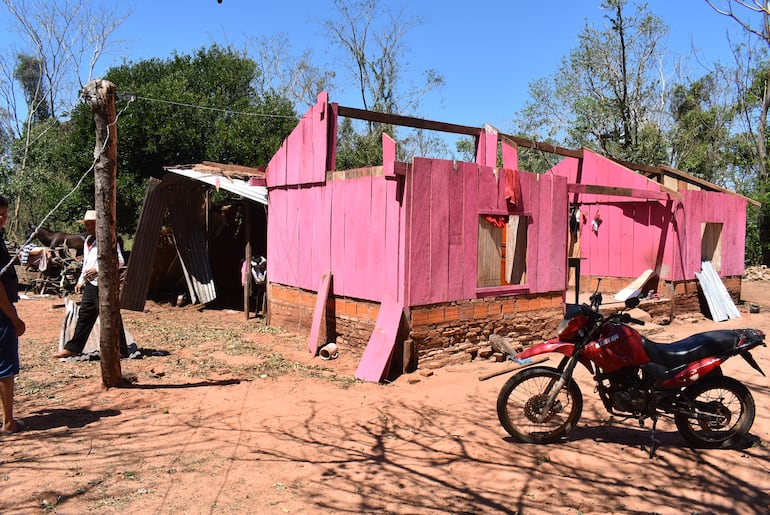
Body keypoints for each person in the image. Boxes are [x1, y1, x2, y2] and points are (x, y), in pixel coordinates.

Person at [53, 209, 128, 359]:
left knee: (111, 316)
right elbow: (86, 264)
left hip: (105, 284)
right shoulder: (88, 241)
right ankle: (73, 348)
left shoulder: (109, 239)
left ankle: (121, 349)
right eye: (87, 224)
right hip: (90, 284)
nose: (89, 227)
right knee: (84, 316)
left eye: (92, 224)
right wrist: (81, 280)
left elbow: (119, 261)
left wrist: (99, 270)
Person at [0, 195, 27, 434]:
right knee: (5, 368)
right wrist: (13, 317)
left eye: (5, 214)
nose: (2, 218)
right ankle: (8, 422)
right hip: (1, 314)